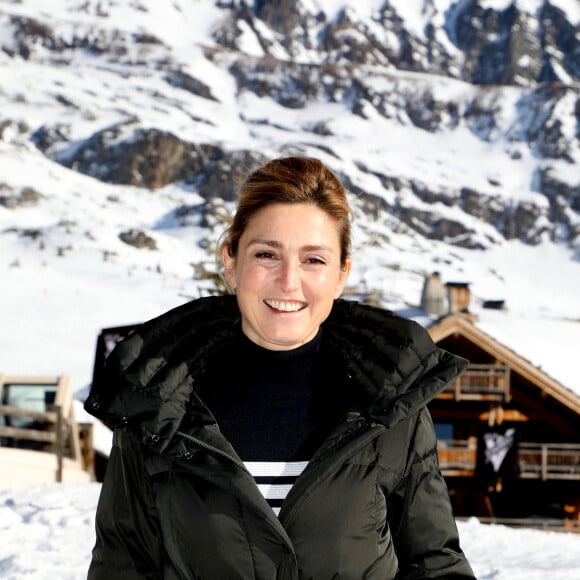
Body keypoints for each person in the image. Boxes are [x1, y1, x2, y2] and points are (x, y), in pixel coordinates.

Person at [85, 156, 475, 579]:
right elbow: (121, 565)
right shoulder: (158, 404)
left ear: (342, 273)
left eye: (314, 260)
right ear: (231, 261)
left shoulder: (390, 402)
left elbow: (435, 563)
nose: (289, 282)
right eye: (267, 254)